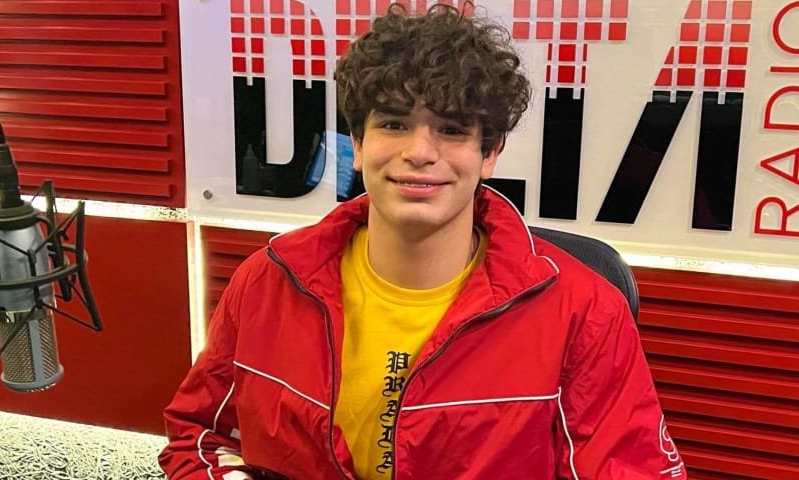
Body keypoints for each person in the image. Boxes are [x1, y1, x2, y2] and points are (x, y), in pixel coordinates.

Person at [159, 3, 686, 479]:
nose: (419, 151)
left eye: (451, 130)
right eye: (393, 123)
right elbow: (199, 436)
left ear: (490, 153)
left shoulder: (585, 312)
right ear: (358, 143)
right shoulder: (266, 282)